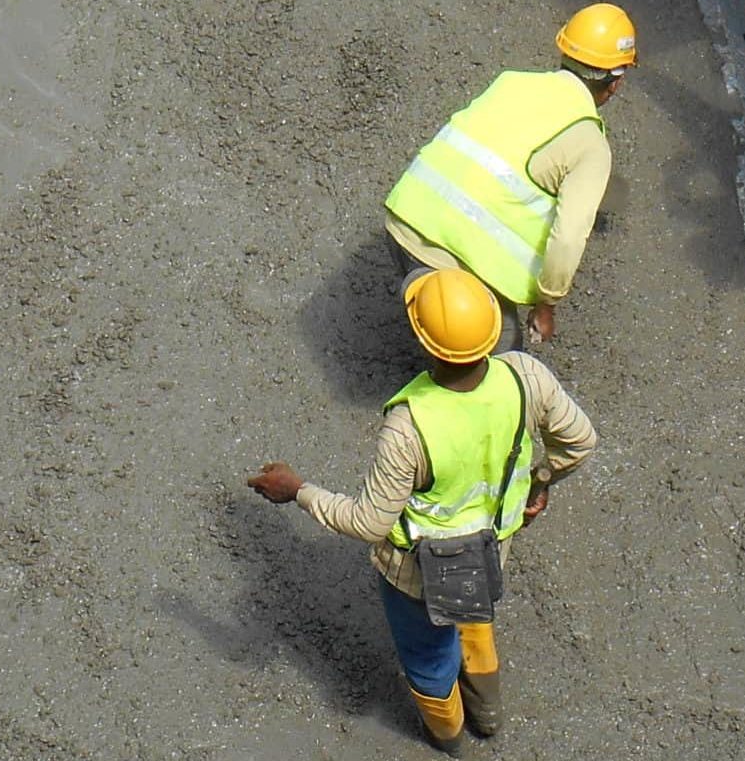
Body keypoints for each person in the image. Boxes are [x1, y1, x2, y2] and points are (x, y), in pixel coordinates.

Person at [247, 270, 596, 749]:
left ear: (425, 342)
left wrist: (299, 491)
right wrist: (541, 481)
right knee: (476, 617)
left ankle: (448, 737)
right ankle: (487, 716)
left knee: (429, 656)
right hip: (492, 546)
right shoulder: (525, 376)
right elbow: (579, 441)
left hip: (418, 573)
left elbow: (369, 521)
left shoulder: (408, 427)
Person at [381, 4, 633, 345]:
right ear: (615, 83)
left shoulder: (510, 83)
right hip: (454, 265)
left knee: (449, 331)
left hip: (403, 227)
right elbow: (569, 236)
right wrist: (547, 305)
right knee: (503, 371)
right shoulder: (591, 147)